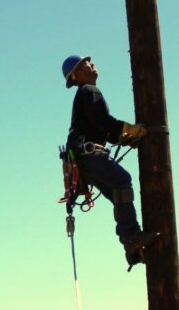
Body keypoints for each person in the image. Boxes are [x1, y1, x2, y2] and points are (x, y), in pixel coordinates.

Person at [61, 55, 156, 269]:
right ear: (77, 75)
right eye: (87, 64)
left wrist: (124, 137)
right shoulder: (89, 91)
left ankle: (131, 246)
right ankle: (132, 238)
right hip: (88, 154)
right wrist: (128, 128)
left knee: (118, 194)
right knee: (122, 181)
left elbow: (101, 128)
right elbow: (104, 121)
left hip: (84, 156)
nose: (93, 65)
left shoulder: (84, 94)